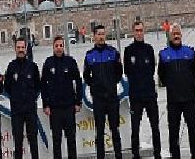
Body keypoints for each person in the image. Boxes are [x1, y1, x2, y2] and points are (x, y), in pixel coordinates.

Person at [158, 24, 195, 159]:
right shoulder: (164, 54)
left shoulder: (190, 52)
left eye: (178, 33)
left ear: (181, 35)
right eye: (173, 34)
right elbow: (162, 76)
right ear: (170, 36)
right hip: (173, 101)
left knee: (193, 130)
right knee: (173, 132)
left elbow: (194, 72)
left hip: (189, 99)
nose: (176, 36)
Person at [83, 24, 123, 159]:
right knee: (99, 131)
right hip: (98, 99)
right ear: (94, 36)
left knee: (115, 130)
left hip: (112, 98)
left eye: (103, 34)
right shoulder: (89, 56)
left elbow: (119, 72)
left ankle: (119, 155)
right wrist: (94, 87)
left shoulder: (113, 52)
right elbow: (86, 76)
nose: (101, 36)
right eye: (98, 34)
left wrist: (111, 84)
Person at [124, 20, 161, 159]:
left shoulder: (149, 49)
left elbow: (152, 69)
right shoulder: (128, 51)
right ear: (133, 32)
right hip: (135, 96)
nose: (139, 33)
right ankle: (135, 154)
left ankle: (157, 153)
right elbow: (127, 71)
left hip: (150, 95)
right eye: (137, 30)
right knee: (135, 128)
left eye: (141, 30)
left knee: (155, 127)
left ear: (144, 31)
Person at [41, 35, 82, 159]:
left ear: (64, 47)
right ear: (53, 47)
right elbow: (43, 85)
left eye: (61, 46)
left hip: (69, 108)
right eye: (56, 46)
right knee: (57, 141)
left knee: (71, 141)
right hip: (55, 109)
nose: (59, 48)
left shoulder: (70, 62)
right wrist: (45, 104)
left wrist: (78, 102)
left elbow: (78, 82)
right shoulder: (48, 63)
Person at [5, 37, 41, 159]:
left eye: (22, 47)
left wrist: (32, 99)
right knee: (18, 142)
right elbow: (7, 87)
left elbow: (38, 86)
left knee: (33, 141)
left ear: (26, 49)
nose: (20, 50)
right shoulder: (11, 67)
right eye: (18, 47)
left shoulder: (33, 66)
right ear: (15, 49)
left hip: (30, 109)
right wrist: (15, 99)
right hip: (17, 111)